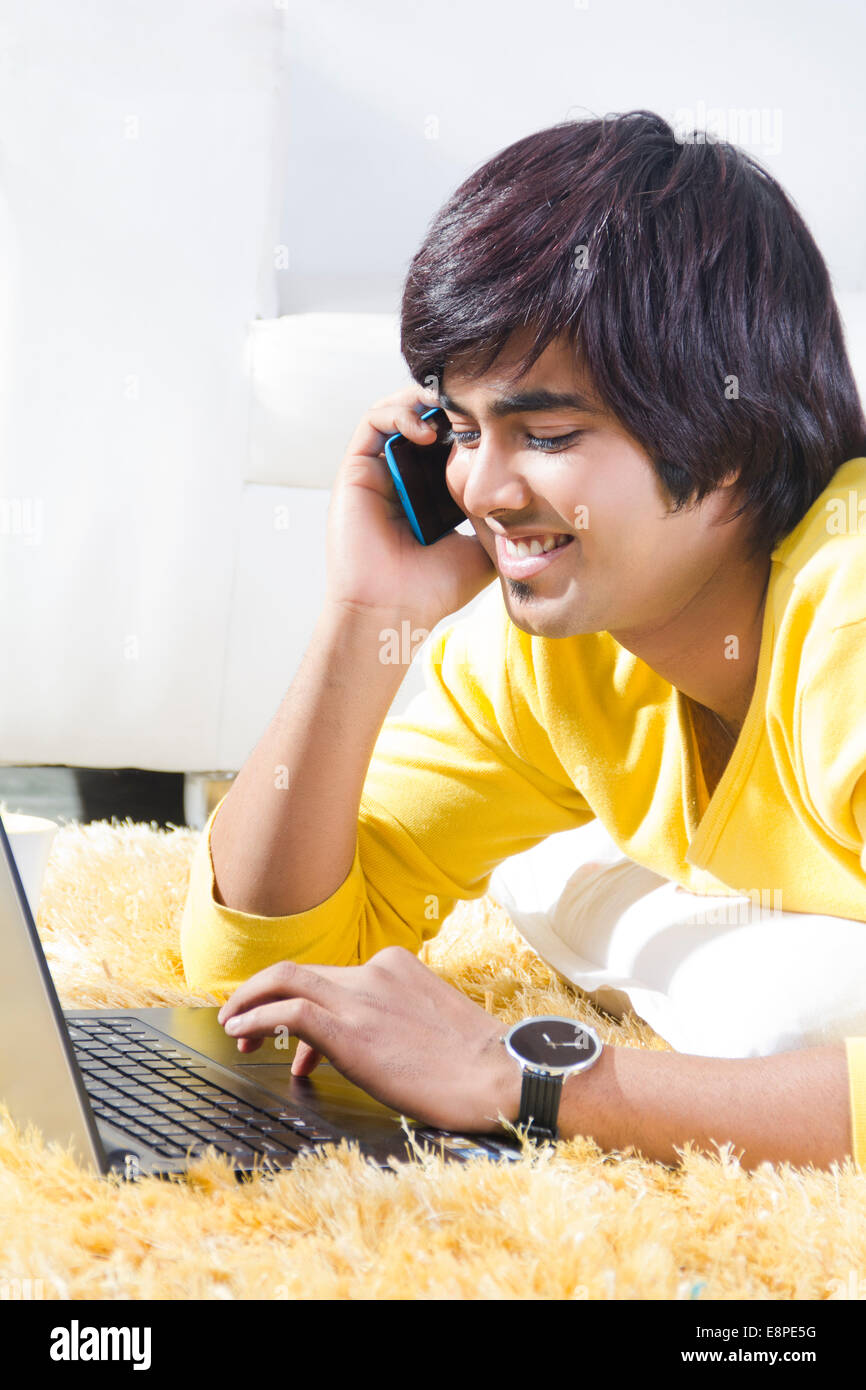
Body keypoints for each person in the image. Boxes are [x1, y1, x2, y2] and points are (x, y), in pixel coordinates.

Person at [181, 110, 866, 1172]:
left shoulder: (847, 615)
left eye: (544, 435)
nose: (483, 492)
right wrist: (366, 618)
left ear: (733, 436)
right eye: (459, 429)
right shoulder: (551, 651)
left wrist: (535, 1076)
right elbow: (264, 961)